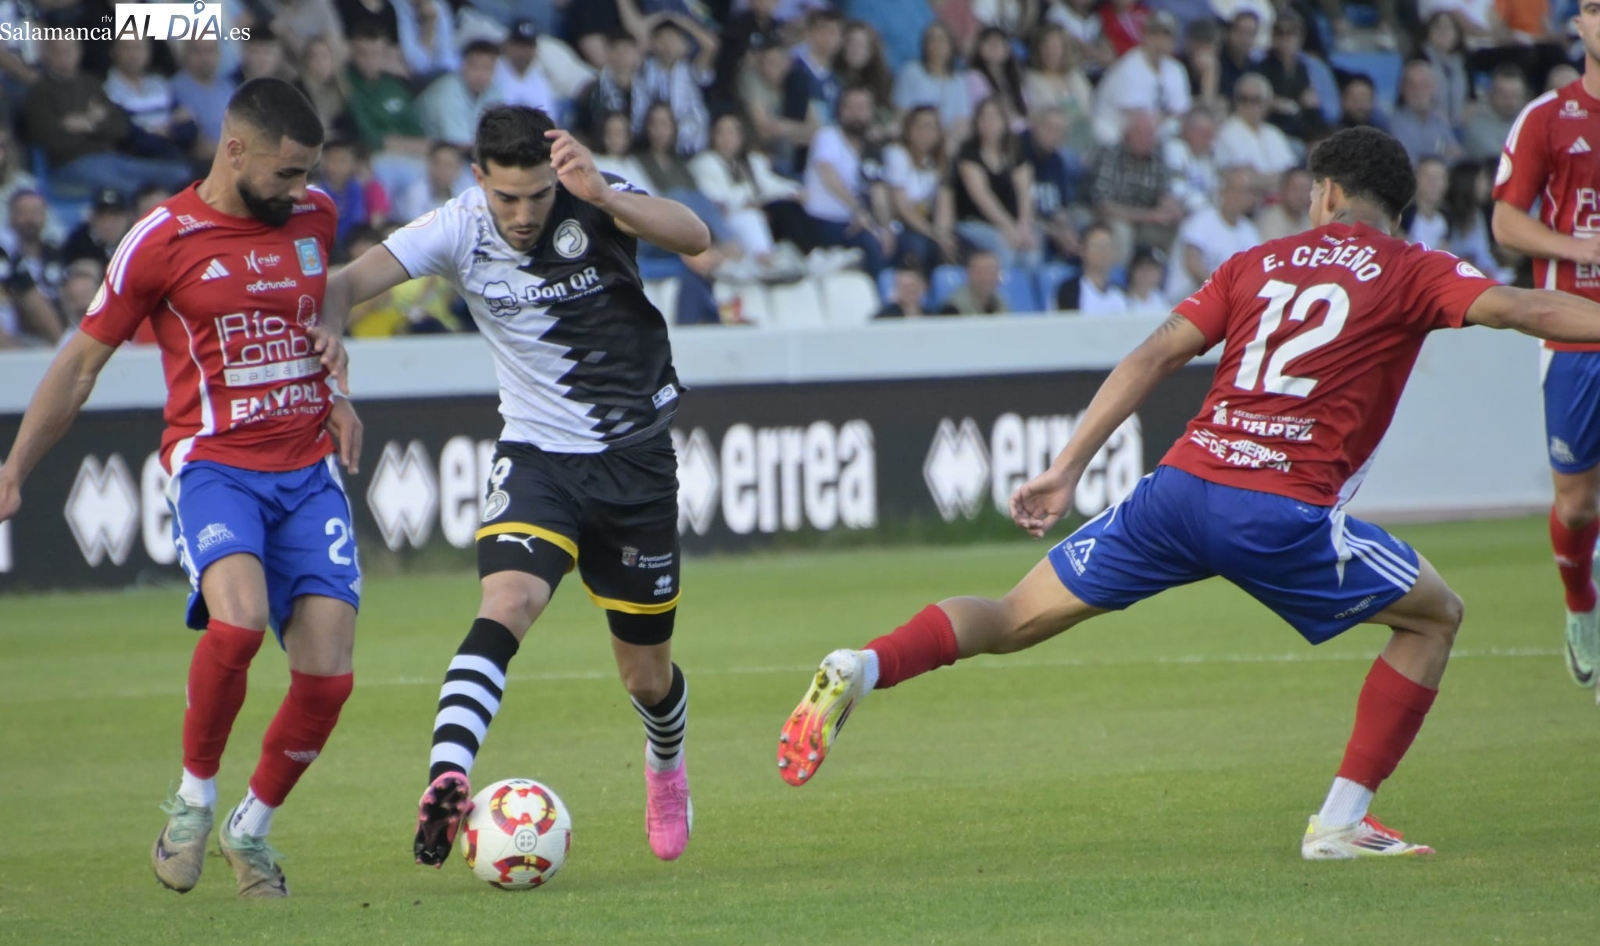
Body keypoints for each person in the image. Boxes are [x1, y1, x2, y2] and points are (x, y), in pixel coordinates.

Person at [775, 125, 1600, 858]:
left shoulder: (1255, 261)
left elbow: (1152, 356)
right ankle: (1341, 822)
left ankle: (863, 664)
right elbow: (1522, 307)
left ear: (1329, 195)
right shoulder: (1415, 268)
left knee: (1010, 618)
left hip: (1176, 490)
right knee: (1435, 615)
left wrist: (1065, 468)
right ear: (1394, 205)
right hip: (1280, 511)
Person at [319, 104, 710, 867]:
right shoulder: (456, 227)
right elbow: (342, 284)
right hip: (537, 459)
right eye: (507, 198)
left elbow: (695, 238)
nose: (523, 214)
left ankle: (665, 764)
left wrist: (604, 194)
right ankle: (448, 774)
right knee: (508, 601)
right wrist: (333, 354)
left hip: (635, 466)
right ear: (478, 182)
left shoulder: (591, 195)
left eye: (536, 195)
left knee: (647, 674)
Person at [0, 78, 361, 898]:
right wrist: (14, 467)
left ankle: (251, 830)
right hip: (217, 467)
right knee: (234, 629)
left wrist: (339, 390)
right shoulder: (161, 238)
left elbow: (322, 295)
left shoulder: (315, 216)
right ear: (234, 150)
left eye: (309, 175)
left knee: (329, 680)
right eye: (287, 173)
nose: (301, 191)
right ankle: (194, 800)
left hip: (309, 473)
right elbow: (80, 364)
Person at [1491, 0, 1600, 692]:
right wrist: (1575, 245)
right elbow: (1505, 220)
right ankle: (1580, 603)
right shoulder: (1546, 118)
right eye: (1593, 7)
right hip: (1574, 334)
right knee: (1578, 504)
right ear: (1577, 26)